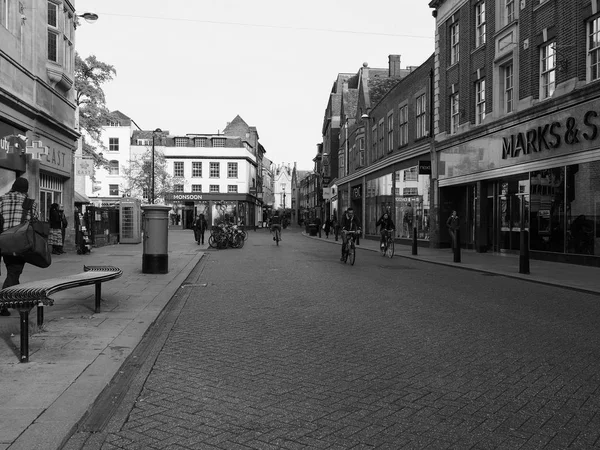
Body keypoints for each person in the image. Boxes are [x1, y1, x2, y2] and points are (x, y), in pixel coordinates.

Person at [0, 177, 39, 316]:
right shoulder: (30, 203)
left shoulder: (1, 200)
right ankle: (3, 302)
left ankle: (13, 300)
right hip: (17, 243)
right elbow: (34, 223)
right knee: (13, 271)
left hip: (0, 239)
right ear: (26, 189)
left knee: (12, 274)